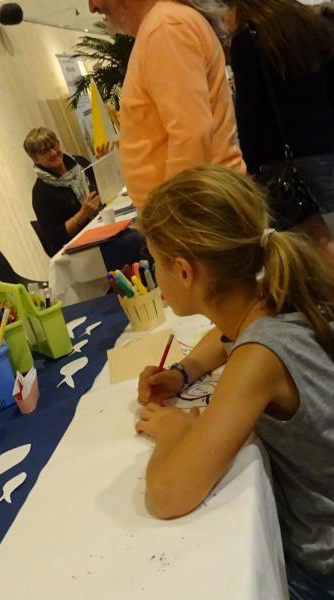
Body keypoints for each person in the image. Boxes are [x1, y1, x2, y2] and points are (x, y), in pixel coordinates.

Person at [134, 166, 334, 599]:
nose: (156, 279)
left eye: (155, 263)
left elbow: (169, 495)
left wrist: (174, 434)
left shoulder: (258, 358)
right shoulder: (273, 297)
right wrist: (184, 373)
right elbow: (225, 337)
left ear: (184, 272)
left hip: (322, 567)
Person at [186, 0, 334, 264]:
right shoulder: (307, 22)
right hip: (325, 144)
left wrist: (251, 168)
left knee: (314, 243)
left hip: (286, 158)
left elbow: (250, 109)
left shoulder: (249, 38)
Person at [87, 0, 245, 210]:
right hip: (205, 210)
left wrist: (173, 220)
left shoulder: (165, 27)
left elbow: (190, 135)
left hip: (202, 218)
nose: (92, 7)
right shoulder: (164, 23)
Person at [23, 128, 101, 256]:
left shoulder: (80, 162)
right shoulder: (41, 193)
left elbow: (102, 191)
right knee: (131, 241)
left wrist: (103, 166)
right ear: (36, 160)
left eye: (53, 145)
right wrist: (83, 214)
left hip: (101, 227)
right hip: (78, 249)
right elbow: (56, 239)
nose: (53, 152)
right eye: (45, 151)